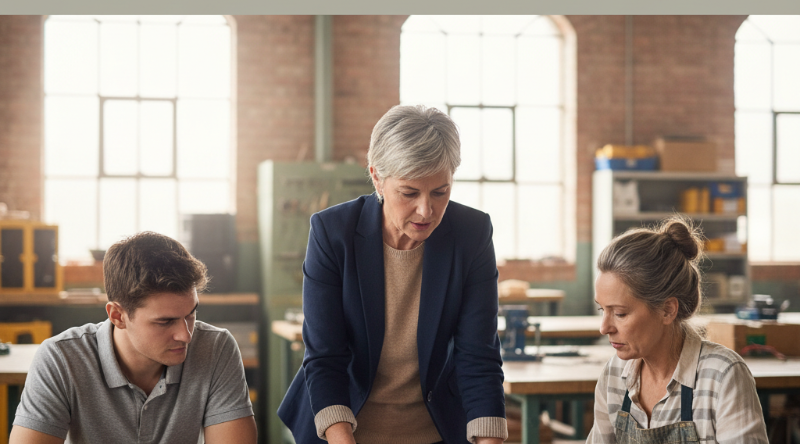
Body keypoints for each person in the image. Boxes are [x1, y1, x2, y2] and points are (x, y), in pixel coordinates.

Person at [278, 105, 508, 444]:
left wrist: (489, 439)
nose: (426, 211)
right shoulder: (333, 233)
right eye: (409, 193)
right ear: (377, 178)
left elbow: (478, 356)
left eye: (440, 192)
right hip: (343, 425)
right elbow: (326, 357)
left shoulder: (471, 234)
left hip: (436, 427)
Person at [10, 232, 257, 444]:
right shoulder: (61, 358)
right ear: (118, 316)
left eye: (191, 314)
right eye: (165, 321)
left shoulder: (216, 348)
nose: (185, 335)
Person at [587, 217, 769, 443]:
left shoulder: (723, 376)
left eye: (620, 313)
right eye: (602, 309)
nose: (604, 328)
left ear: (667, 310)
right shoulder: (615, 374)